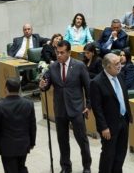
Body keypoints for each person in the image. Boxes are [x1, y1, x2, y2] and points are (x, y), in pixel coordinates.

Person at [39, 40, 91, 173]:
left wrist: (88, 106)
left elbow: (88, 87)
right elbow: (46, 85)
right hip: (60, 110)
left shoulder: (79, 66)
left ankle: (86, 166)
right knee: (62, 141)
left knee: (82, 140)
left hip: (76, 109)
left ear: (69, 52)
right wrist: (42, 85)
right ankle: (66, 167)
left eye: (62, 53)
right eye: (57, 52)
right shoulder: (52, 67)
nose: (59, 55)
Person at [90, 53, 132, 173]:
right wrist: (103, 127)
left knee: (121, 153)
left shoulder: (120, 76)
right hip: (109, 126)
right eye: (116, 64)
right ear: (107, 67)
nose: (120, 66)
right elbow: (97, 108)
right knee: (108, 155)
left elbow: (123, 97)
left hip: (123, 121)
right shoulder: (97, 82)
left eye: (120, 62)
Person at [0, 79, 36, 173]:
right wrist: (32, 142)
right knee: (21, 167)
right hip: (23, 144)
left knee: (10, 169)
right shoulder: (28, 104)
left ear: (6, 89)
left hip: (6, 147)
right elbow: (32, 126)